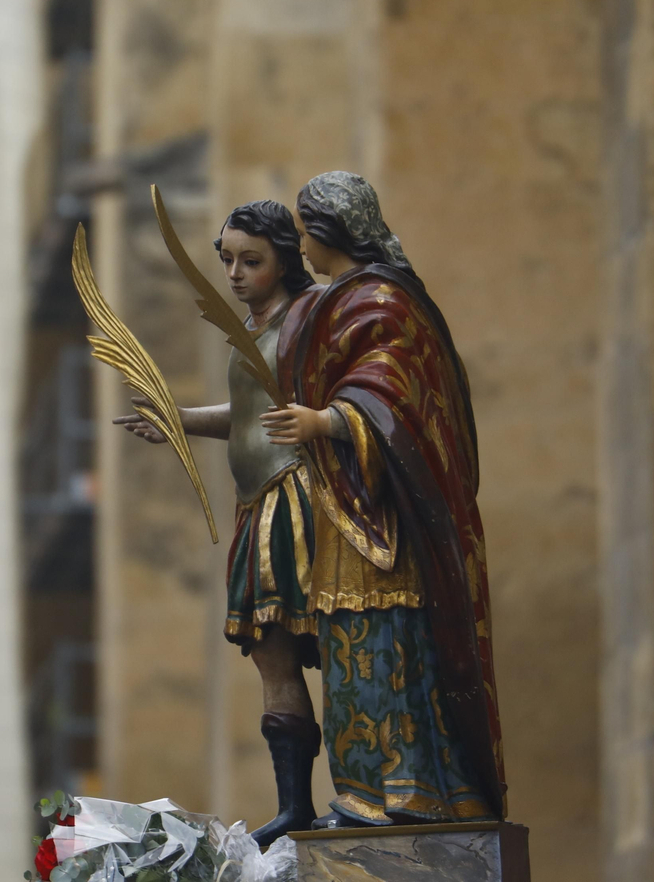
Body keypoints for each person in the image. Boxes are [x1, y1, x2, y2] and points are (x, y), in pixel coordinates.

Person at [259, 170, 505, 828]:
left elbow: (393, 395)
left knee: (390, 649)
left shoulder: (382, 300)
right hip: (344, 507)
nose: (303, 248)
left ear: (332, 232)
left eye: (308, 235)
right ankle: (365, 790)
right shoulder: (335, 298)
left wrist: (325, 422)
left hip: (387, 518)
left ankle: (409, 792)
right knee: (349, 655)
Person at [113, 199, 325, 845]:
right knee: (271, 655)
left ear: (285, 260)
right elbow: (244, 413)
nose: (234, 273)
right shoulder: (254, 329)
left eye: (250, 260)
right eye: (227, 258)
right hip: (257, 504)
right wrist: (176, 418)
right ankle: (296, 805)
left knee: (333, 648)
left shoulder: (308, 319)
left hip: (299, 497)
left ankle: (362, 793)